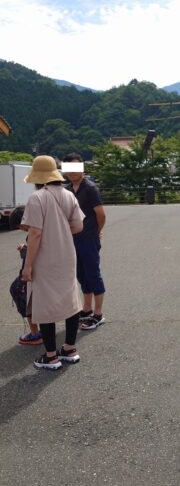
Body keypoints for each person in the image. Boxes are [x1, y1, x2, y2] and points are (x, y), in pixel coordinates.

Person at [21, 155, 85, 370]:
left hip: (45, 259)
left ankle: (51, 356)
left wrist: (28, 266)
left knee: (44, 304)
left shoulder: (37, 197)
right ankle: (69, 349)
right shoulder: (69, 195)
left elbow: (35, 233)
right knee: (70, 301)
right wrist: (60, 231)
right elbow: (78, 226)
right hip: (67, 255)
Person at [63, 153, 106, 330]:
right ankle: (87, 309)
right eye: (68, 168)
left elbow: (101, 214)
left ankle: (98, 314)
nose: (72, 172)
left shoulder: (90, 188)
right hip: (72, 239)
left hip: (88, 238)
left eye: (75, 167)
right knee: (81, 275)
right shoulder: (66, 189)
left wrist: (96, 232)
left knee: (93, 273)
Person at [9, 206, 42, 344]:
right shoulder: (42, 228)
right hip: (44, 273)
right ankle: (46, 331)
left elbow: (36, 254)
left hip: (34, 274)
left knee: (22, 296)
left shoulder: (35, 232)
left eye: (20, 225)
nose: (20, 228)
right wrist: (26, 247)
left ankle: (35, 334)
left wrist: (25, 251)